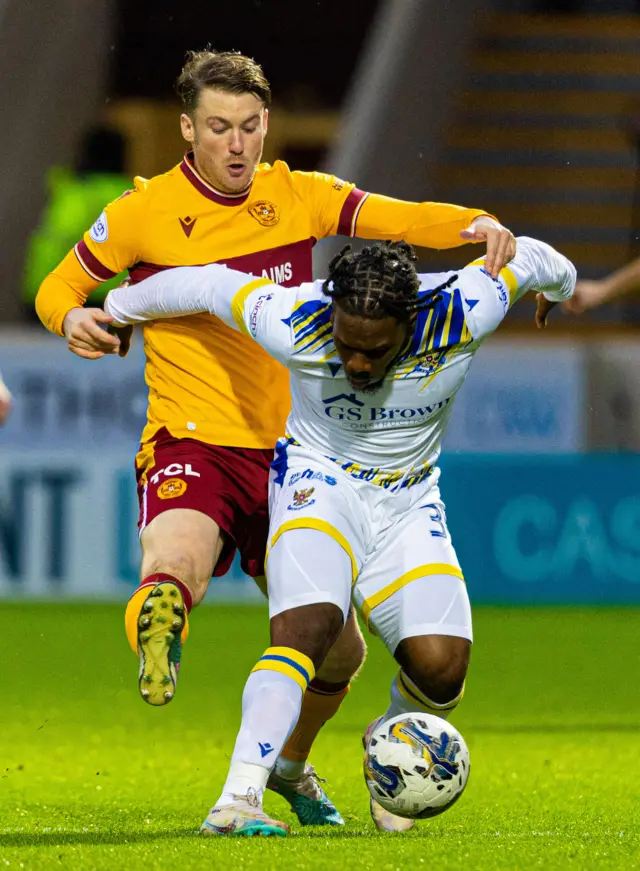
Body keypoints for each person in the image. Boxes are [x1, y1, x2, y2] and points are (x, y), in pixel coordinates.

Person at [35, 49, 515, 829]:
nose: (237, 144)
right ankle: (165, 628)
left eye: (251, 127)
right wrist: (75, 318)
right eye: (219, 127)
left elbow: (399, 216)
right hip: (191, 435)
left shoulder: (298, 195)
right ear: (187, 128)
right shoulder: (140, 212)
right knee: (175, 563)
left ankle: (290, 767)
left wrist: (475, 225)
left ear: (267, 126)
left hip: (292, 453)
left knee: (342, 654)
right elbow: (61, 287)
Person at [103, 234, 576, 835]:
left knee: (443, 668)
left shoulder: (466, 308)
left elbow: (535, 257)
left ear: (409, 323)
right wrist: (119, 310)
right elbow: (206, 283)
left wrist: (560, 291)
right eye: (346, 345)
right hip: (316, 484)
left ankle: (391, 760)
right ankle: (238, 797)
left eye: (374, 351)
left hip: (408, 501)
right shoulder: (298, 316)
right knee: (310, 628)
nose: (355, 363)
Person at [23, 126, 131, 319]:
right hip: (112, 293)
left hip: (53, 287)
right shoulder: (131, 194)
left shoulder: (71, 191)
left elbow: (60, 235)